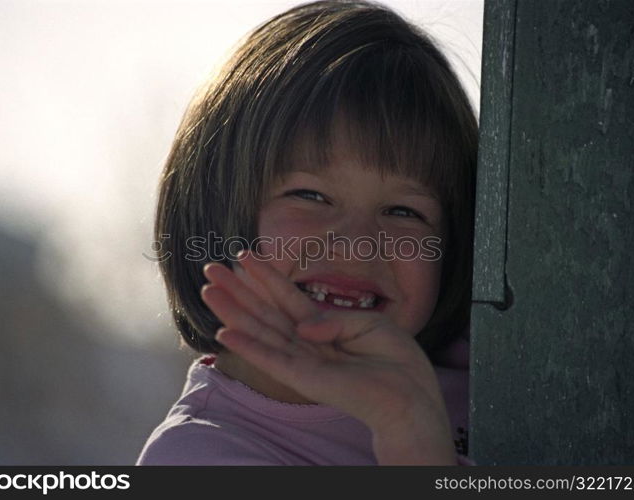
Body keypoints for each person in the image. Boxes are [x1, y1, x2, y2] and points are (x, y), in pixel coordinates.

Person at [137, 0, 477, 465]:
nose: (358, 244)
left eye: (403, 211)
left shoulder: (496, 355)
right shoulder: (202, 455)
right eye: (310, 196)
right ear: (218, 206)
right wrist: (408, 429)